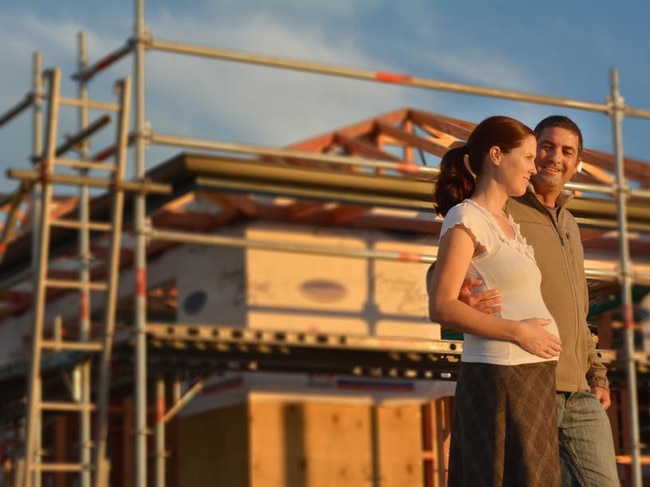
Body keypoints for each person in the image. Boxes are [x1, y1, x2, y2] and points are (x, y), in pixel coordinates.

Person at [433, 115, 620, 486]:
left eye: (566, 151)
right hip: (527, 382)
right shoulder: (503, 207)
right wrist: (466, 298)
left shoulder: (568, 224)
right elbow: (449, 278)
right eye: (544, 147)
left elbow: (578, 308)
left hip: (578, 389)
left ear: (576, 162)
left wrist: (596, 373)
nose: (551, 159)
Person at [428, 115, 562, 486]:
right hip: (500, 375)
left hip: (531, 376)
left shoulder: (507, 222)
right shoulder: (466, 217)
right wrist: (520, 333)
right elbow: (441, 304)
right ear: (497, 155)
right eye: (529, 158)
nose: (535, 168)